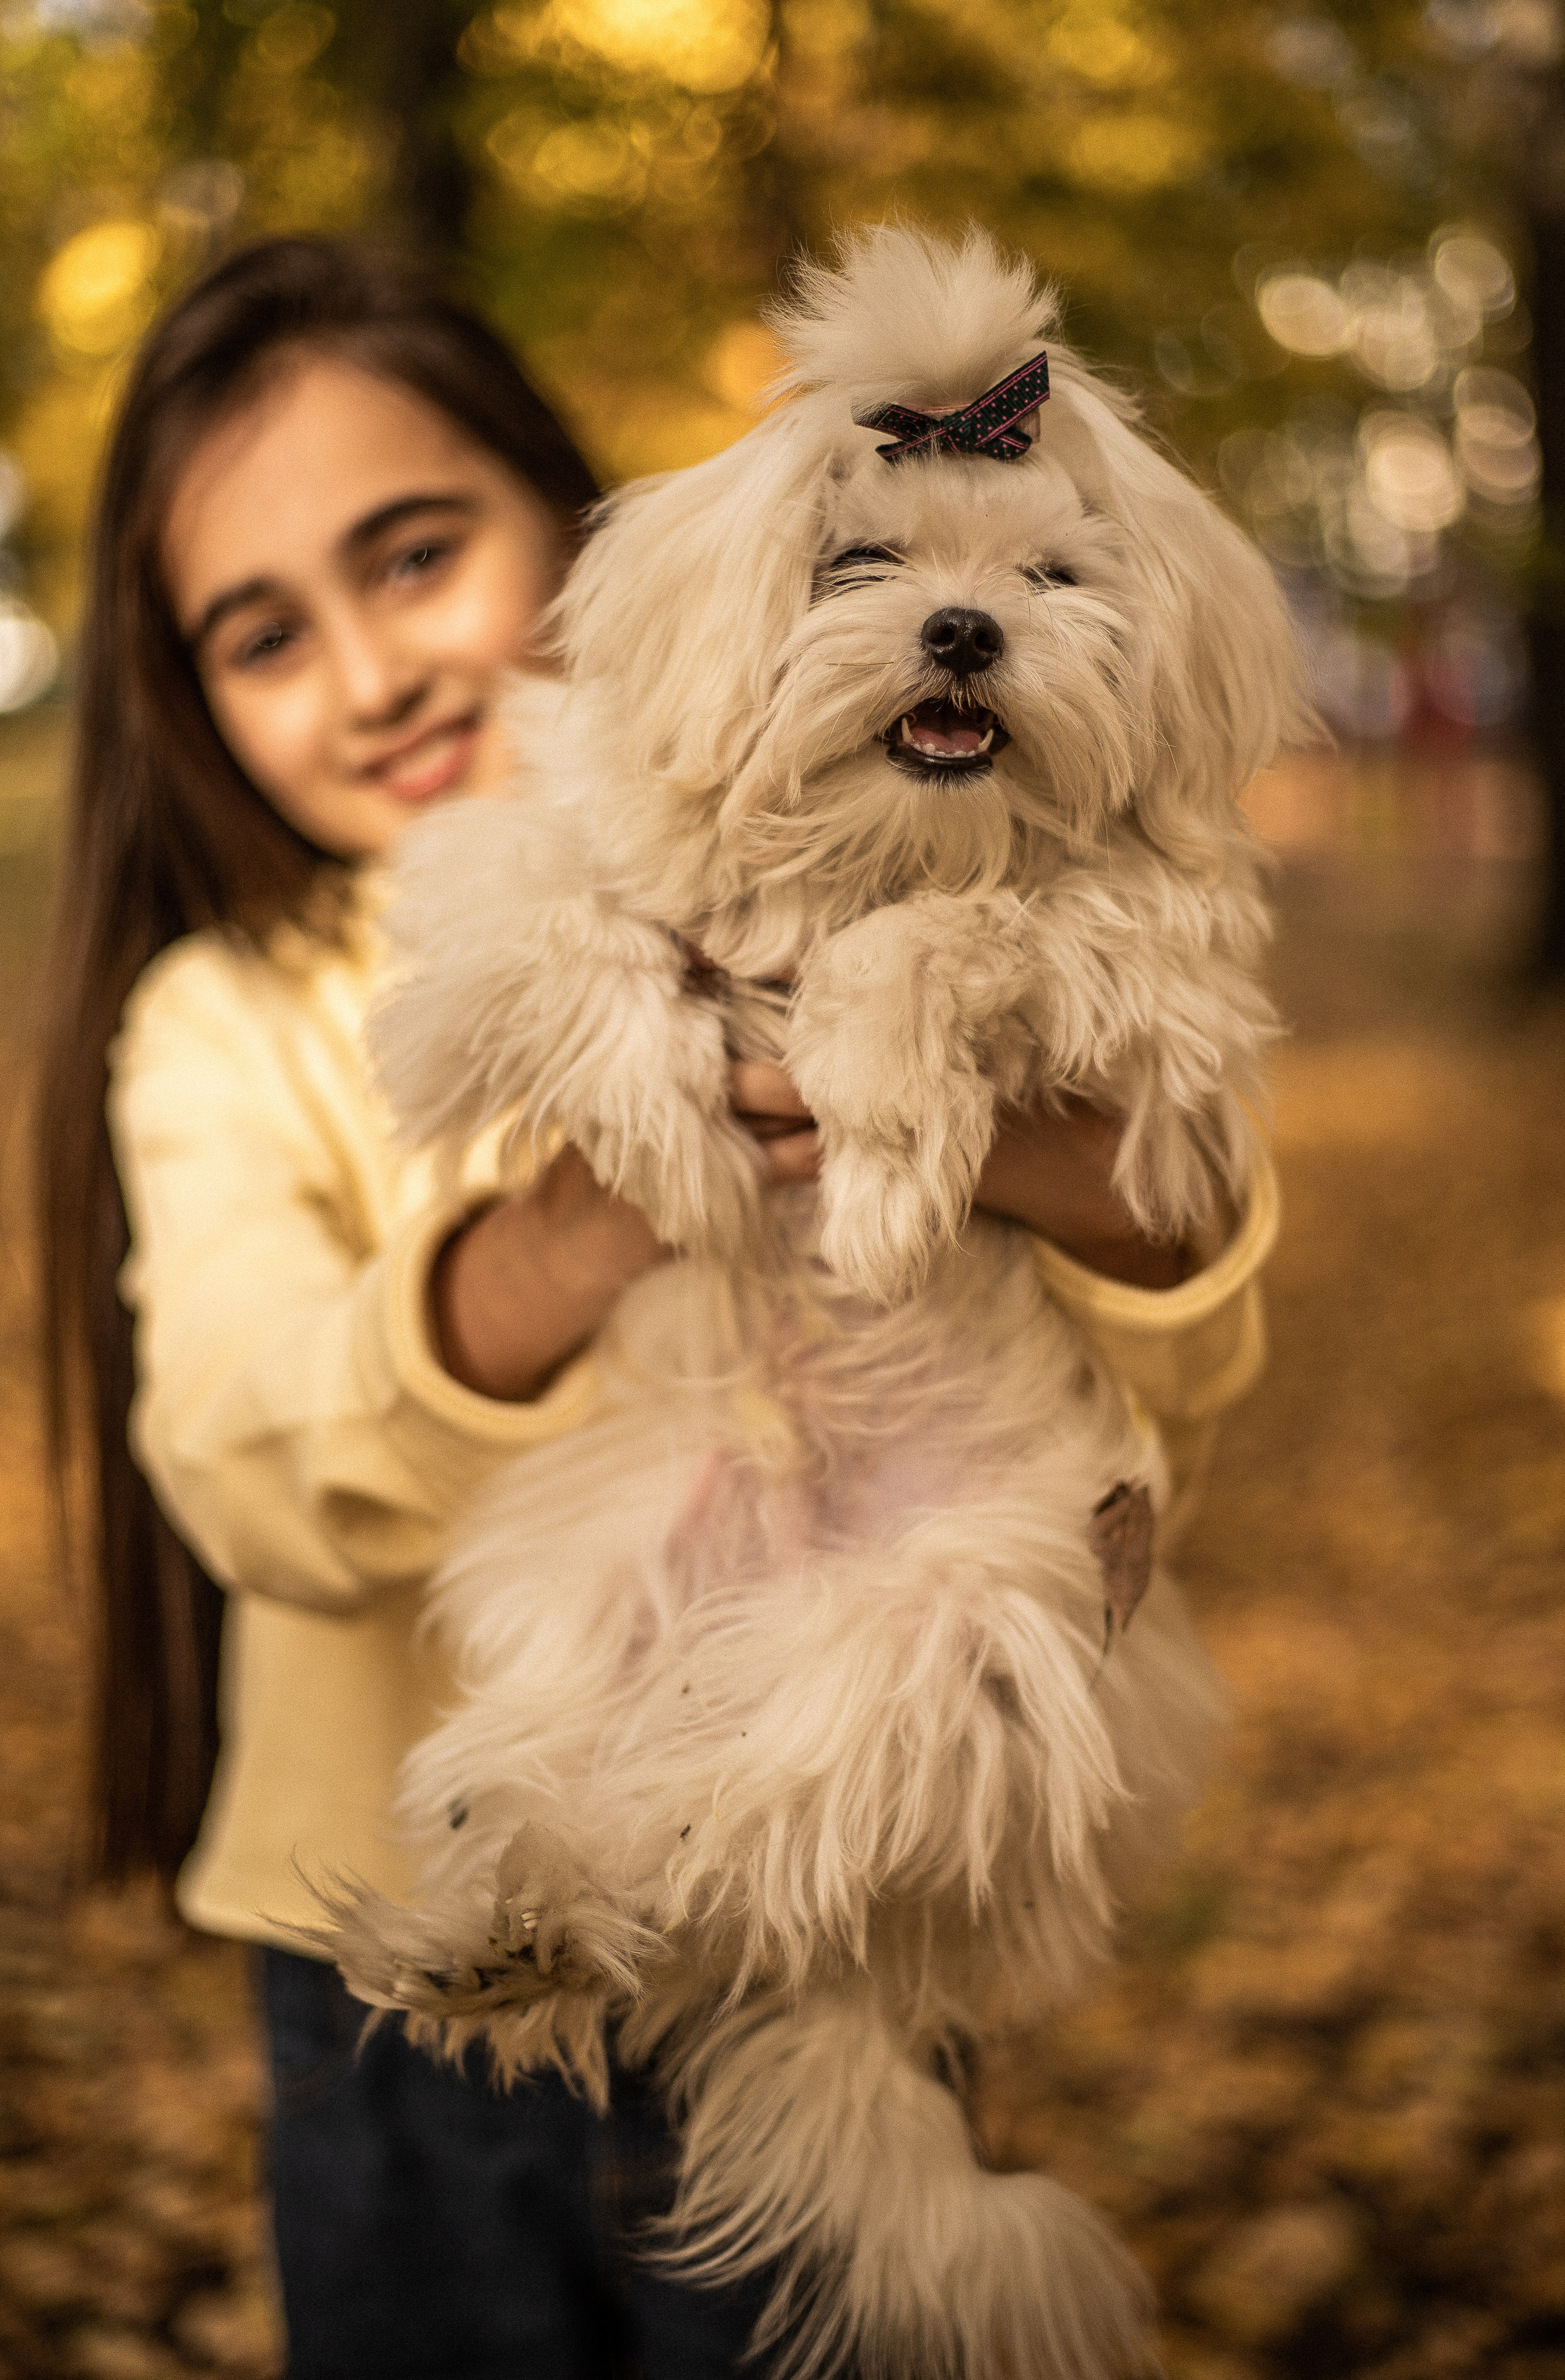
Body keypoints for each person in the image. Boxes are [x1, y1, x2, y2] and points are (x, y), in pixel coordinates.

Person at [35, 236, 1278, 2380]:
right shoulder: (221, 1019)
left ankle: (747, 1903)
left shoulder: (960, 828)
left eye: (413, 554)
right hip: (385, 1978)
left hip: (838, 1875)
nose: (372, 669)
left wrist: (1009, 1137)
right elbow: (238, 1457)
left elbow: (1188, 1310)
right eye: (262, 632)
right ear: (187, 697)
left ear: (572, 515)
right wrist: (598, 1207)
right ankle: (569, 1838)